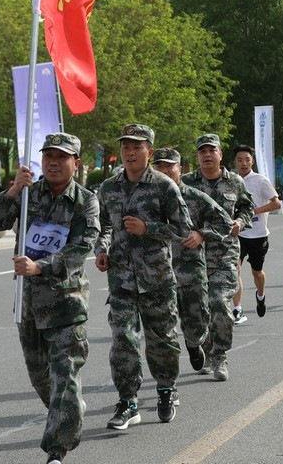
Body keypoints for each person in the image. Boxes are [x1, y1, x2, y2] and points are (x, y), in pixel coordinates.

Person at [0, 133, 100, 464]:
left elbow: (81, 248)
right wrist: (13, 191)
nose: (54, 163)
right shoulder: (29, 194)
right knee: (40, 377)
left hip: (67, 304)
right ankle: (68, 408)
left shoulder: (85, 201)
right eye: (48, 157)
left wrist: (40, 266)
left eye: (61, 157)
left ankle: (56, 450)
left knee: (64, 375)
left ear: (76, 163)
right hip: (29, 303)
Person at [94, 124, 192, 430]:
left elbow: (183, 229)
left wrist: (148, 228)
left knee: (162, 340)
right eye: (126, 146)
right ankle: (128, 402)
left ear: (149, 151)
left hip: (157, 279)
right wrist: (102, 248)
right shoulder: (108, 188)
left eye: (137, 147)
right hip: (121, 279)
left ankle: (166, 388)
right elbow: (102, 225)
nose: (130, 152)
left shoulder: (164, 186)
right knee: (123, 339)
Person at [152, 148, 233, 374]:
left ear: (180, 168)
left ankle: (197, 344)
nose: (165, 170)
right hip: (156, 271)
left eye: (170, 165)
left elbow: (225, 223)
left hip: (189, 270)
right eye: (159, 166)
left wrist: (201, 234)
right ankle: (166, 381)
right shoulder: (146, 197)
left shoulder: (194, 196)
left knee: (197, 320)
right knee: (161, 325)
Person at [182, 134, 254, 381]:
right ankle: (206, 349)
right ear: (197, 156)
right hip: (193, 257)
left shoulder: (234, 182)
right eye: (202, 151)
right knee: (197, 310)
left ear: (220, 154)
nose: (207, 155)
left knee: (219, 303)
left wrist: (240, 221)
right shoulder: (186, 183)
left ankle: (220, 355)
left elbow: (246, 207)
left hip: (224, 254)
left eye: (211, 151)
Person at [233, 144, 281, 320]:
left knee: (257, 273)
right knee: (234, 270)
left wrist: (254, 211)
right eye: (240, 160)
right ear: (235, 162)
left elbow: (276, 203)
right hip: (238, 234)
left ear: (252, 161)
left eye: (247, 160)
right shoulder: (230, 180)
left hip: (258, 235)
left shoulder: (260, 180)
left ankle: (260, 296)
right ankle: (237, 309)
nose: (243, 163)